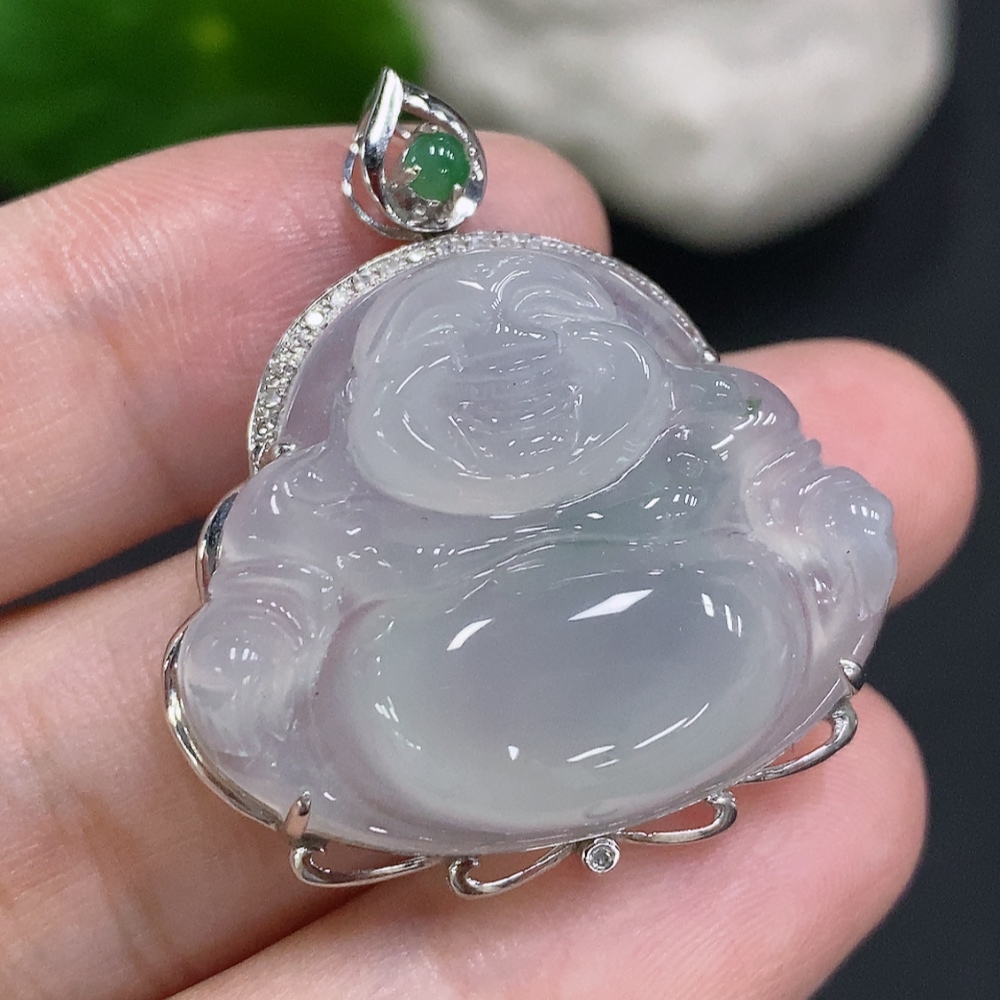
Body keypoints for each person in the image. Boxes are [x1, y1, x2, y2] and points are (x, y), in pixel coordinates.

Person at [0, 127, 978, 1000]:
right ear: (361, 407)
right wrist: (251, 653)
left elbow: (791, 493)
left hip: (704, 647)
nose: (514, 374)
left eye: (553, 334)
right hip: (440, 696)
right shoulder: (324, 500)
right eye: (446, 354)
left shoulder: (698, 428)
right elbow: (274, 597)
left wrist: (823, 522)